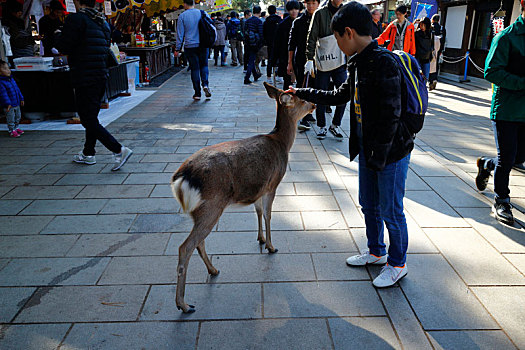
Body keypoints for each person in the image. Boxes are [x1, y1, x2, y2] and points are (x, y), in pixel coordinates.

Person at [289, 1, 413, 288]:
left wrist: (379, 157)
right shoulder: (358, 61)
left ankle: (398, 263)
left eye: (336, 38)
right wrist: (302, 92)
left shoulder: (383, 63)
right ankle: (375, 251)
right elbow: (340, 94)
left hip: (390, 153)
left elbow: (393, 115)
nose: (336, 46)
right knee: (369, 204)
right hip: (371, 150)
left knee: (391, 210)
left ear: (348, 32)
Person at [55, 0, 132, 171]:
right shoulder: (102, 21)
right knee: (92, 117)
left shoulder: (76, 19)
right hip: (101, 75)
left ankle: (118, 149)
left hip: (84, 75)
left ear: (77, 2)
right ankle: (88, 153)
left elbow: (64, 46)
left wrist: (56, 34)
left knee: (87, 119)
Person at [475, 0, 525, 226]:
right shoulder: (506, 37)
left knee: (517, 158)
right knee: (506, 159)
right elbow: (491, 71)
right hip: (507, 110)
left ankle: (486, 164)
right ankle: (502, 200)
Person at [304, 0, 347, 140]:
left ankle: (335, 125)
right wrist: (309, 59)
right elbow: (311, 36)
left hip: (341, 60)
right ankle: (321, 126)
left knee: (344, 95)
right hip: (323, 59)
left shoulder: (346, 12)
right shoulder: (320, 13)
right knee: (321, 94)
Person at [288, 0, 320, 130]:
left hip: (319, 60)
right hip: (301, 60)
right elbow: (292, 44)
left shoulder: (322, 19)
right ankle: (302, 117)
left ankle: (310, 112)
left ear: (318, 4)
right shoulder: (299, 21)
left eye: (314, 3)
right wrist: (289, 63)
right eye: (309, 3)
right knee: (302, 87)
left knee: (315, 87)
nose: (311, 6)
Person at [175, 0, 212, 100]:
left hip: (190, 46)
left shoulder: (182, 16)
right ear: (194, 4)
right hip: (203, 45)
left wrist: (177, 49)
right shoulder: (203, 13)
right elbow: (211, 28)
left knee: (194, 68)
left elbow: (180, 35)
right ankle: (205, 85)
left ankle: (197, 93)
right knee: (204, 65)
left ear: (184, 4)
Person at [273, 1, 301, 89]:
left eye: (296, 9)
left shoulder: (303, 22)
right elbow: (277, 43)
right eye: (291, 9)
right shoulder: (282, 25)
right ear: (288, 10)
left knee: (301, 82)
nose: (294, 11)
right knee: (287, 81)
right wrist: (274, 60)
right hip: (285, 56)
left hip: (300, 56)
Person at [0, 60, 24, 138]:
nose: (8, 70)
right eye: (5, 69)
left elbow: (17, 90)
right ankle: (11, 130)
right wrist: (7, 103)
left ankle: (16, 128)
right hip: (9, 105)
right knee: (11, 118)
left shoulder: (11, 79)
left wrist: (21, 98)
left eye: (8, 68)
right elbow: (3, 94)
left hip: (16, 102)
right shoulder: (1, 82)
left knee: (18, 116)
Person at [243, 6, 264, 84]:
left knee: (250, 59)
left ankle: (255, 75)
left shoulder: (247, 21)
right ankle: (247, 78)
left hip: (247, 43)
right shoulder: (259, 21)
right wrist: (261, 43)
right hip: (255, 43)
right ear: (260, 12)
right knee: (251, 60)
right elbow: (261, 33)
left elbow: (244, 31)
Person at [263, 5, 281, 83]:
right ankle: (279, 76)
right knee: (279, 59)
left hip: (270, 43)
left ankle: (269, 77)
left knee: (270, 60)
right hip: (279, 43)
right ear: (275, 11)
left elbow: (264, 32)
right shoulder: (279, 19)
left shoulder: (266, 21)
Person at [428, 14, 446, 90]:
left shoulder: (430, 27)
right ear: (438, 20)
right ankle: (434, 78)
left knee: (429, 64)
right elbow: (444, 40)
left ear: (432, 19)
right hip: (438, 49)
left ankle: (430, 80)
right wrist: (441, 50)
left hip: (429, 48)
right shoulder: (442, 28)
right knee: (436, 65)